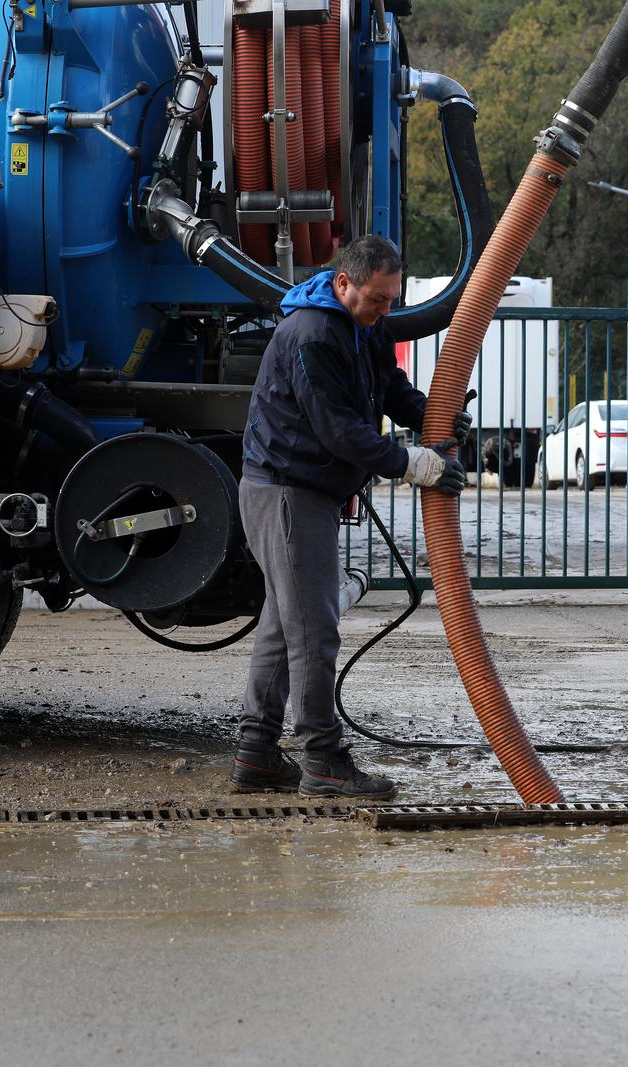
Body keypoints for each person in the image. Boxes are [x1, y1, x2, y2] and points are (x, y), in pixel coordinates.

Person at [232, 235, 467, 799]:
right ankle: (323, 760)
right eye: (377, 299)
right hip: (287, 492)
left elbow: (389, 388)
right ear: (343, 284)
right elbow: (338, 430)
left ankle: (256, 754)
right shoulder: (311, 334)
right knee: (314, 630)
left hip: (301, 491)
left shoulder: (363, 326)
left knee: (282, 625)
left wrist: (436, 419)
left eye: (391, 300)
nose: (385, 310)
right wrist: (415, 463)